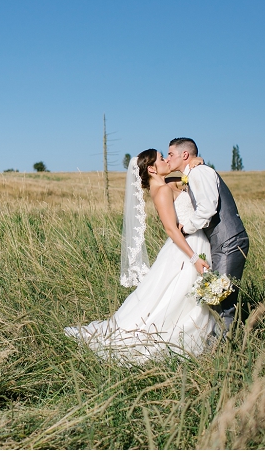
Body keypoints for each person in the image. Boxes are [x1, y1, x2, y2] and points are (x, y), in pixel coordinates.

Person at [64, 149, 216, 365]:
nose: (166, 160)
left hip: (192, 242)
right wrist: (194, 259)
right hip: (187, 248)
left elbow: (184, 179)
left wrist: (194, 164)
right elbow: (172, 230)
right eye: (162, 158)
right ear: (152, 168)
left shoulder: (163, 184)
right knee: (179, 298)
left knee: (178, 296)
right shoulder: (162, 190)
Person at [166, 137, 249, 337]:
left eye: (170, 154)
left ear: (184, 155)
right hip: (220, 242)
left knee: (223, 297)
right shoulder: (193, 173)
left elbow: (207, 209)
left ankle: (224, 347)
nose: (168, 159)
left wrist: (186, 228)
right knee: (218, 294)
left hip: (230, 241)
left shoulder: (200, 173)